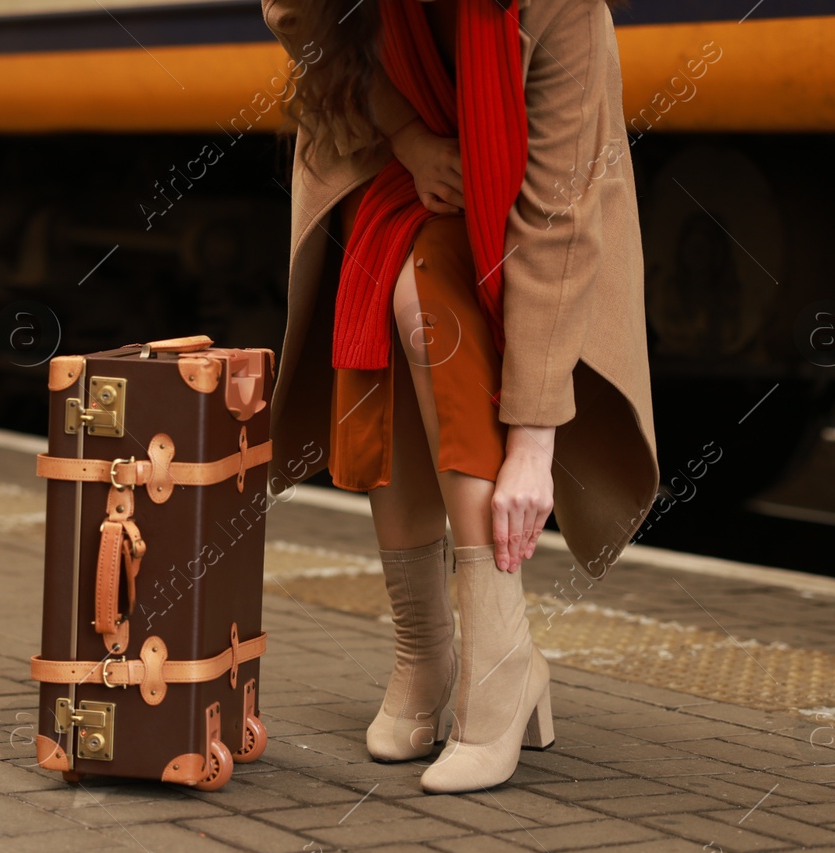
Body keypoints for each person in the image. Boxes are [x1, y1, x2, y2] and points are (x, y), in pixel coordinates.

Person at [261, 0, 658, 792]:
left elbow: (557, 220)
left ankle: (503, 659)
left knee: (426, 307)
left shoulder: (560, 10)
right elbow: (301, 19)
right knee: (379, 292)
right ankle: (426, 652)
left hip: (525, 187)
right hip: (389, 150)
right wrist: (407, 137)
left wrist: (534, 442)